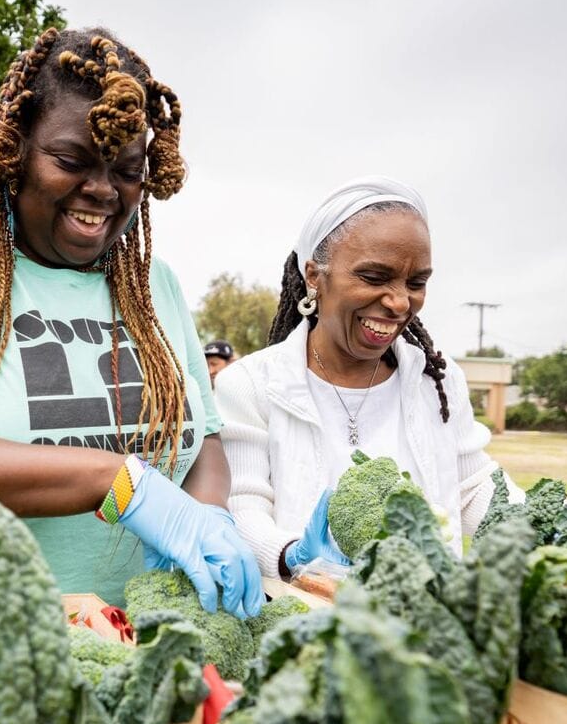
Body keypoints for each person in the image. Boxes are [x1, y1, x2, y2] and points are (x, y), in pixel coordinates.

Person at [0, 27, 263, 618]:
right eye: (72, 161)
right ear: (16, 149)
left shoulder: (154, 284)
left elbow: (205, 440)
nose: (100, 190)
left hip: (146, 642)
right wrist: (121, 484)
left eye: (126, 170)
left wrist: (208, 517)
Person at [214, 175, 523, 579]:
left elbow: (476, 490)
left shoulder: (437, 383)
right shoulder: (250, 385)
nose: (398, 302)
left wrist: (556, 531)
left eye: (416, 283)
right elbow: (240, 507)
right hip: (304, 626)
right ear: (313, 276)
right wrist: (293, 556)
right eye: (374, 278)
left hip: (423, 629)